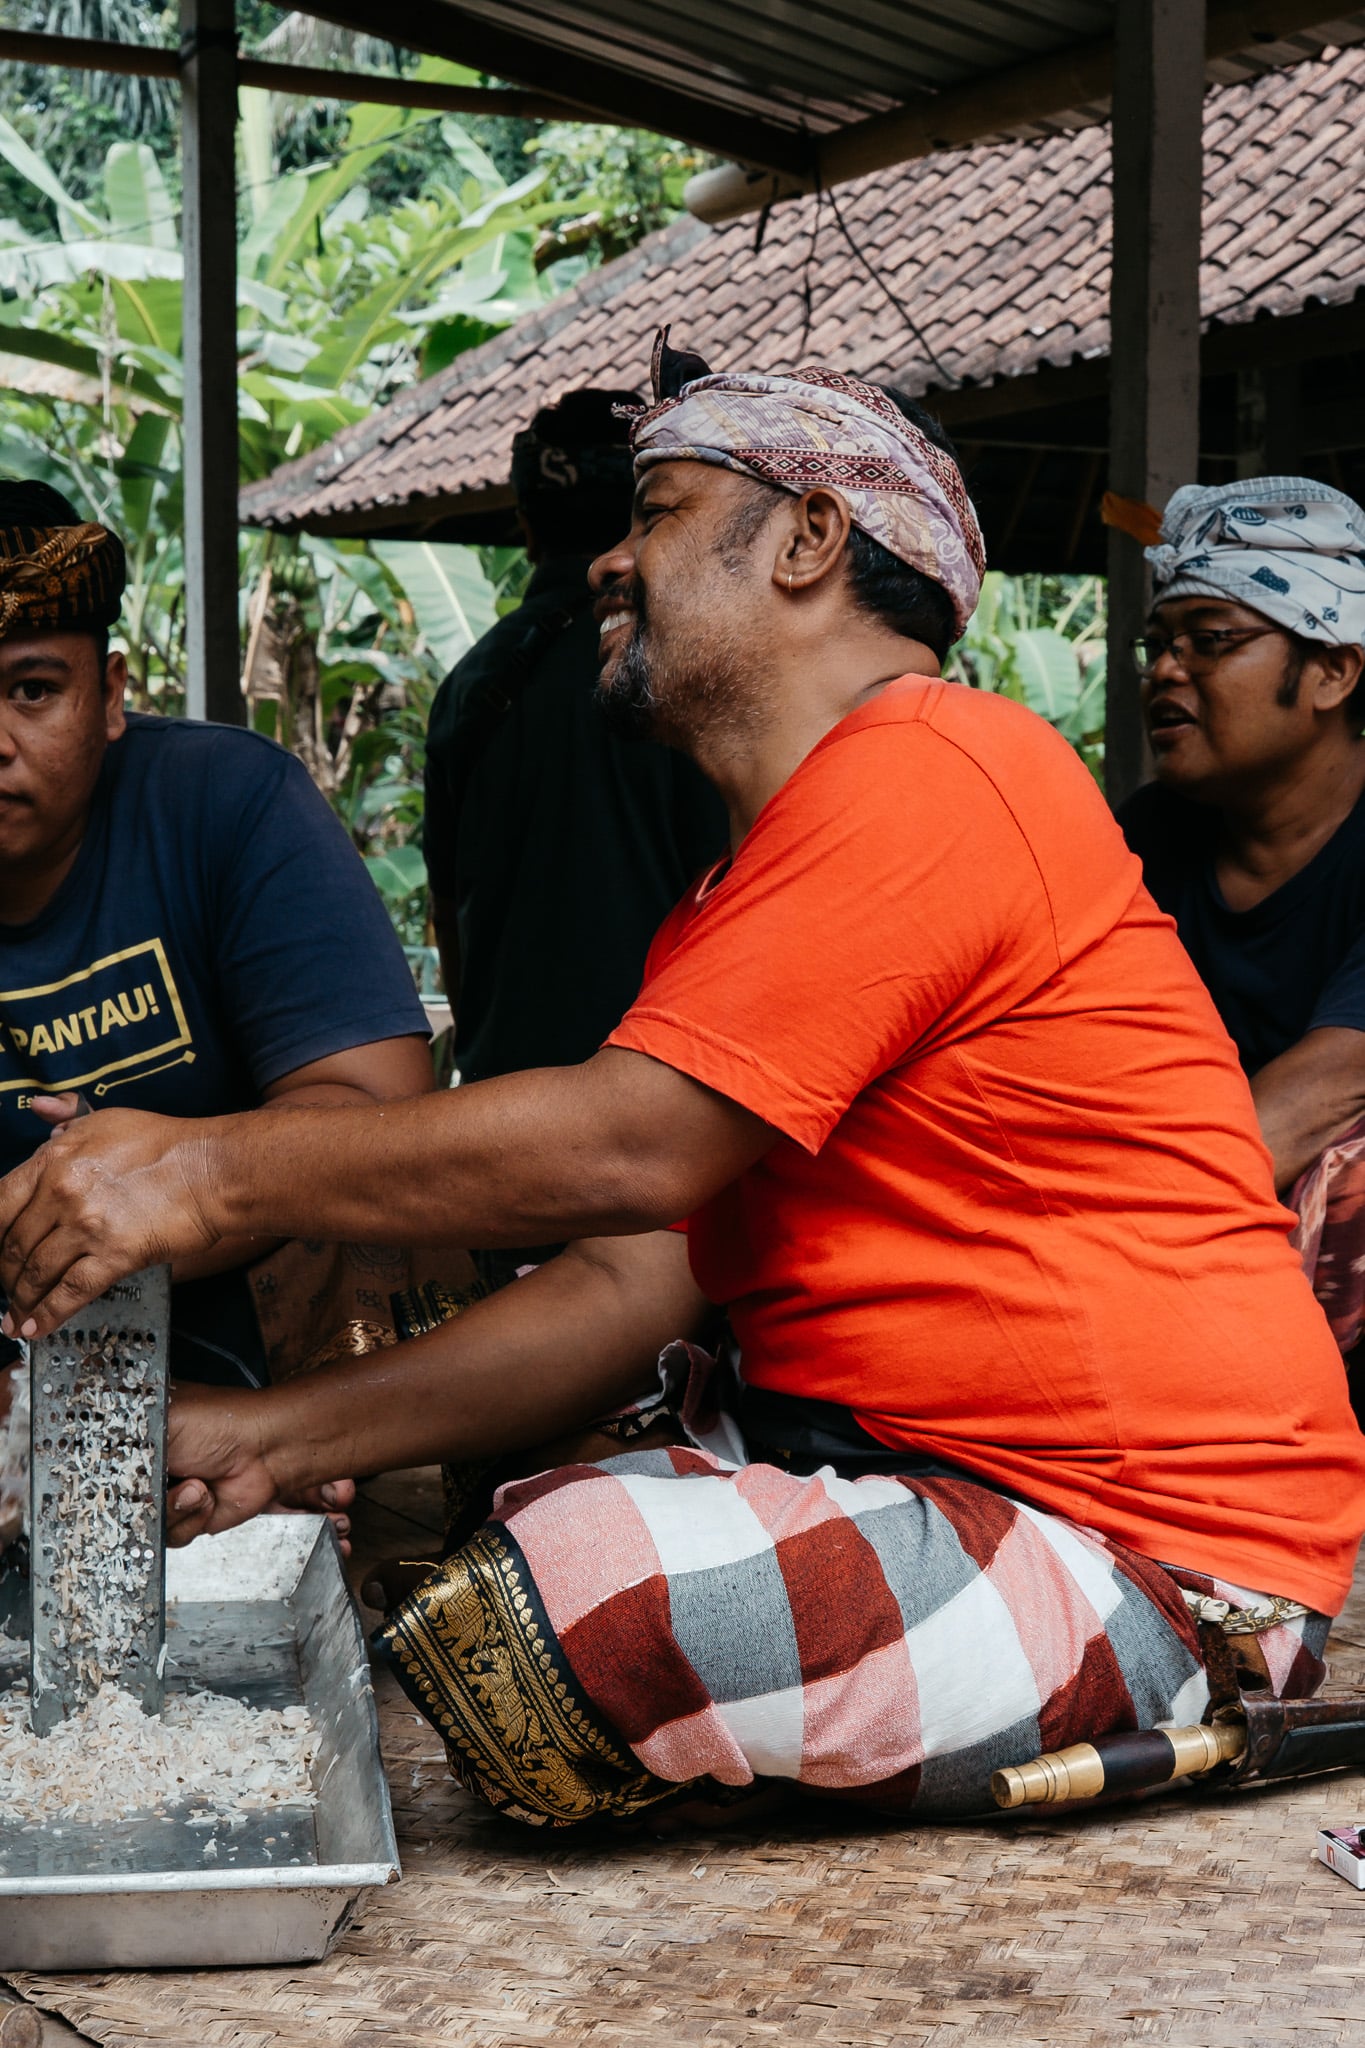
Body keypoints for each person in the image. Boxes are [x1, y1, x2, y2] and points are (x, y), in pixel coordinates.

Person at [1, 341, 1361, 1832]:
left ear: (807, 539)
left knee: (570, 1596)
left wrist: (196, 1172)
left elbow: (634, 1148)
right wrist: (267, 1440)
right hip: (925, 1490)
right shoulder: (740, 893)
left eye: (656, 509)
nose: (609, 557)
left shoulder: (943, 763)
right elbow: (627, 1276)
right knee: (522, 1546)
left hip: (1148, 1555)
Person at [0, 480, 434, 1388]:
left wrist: (163, 1184)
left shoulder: (229, 804)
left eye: (32, 690)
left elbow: (381, 1115)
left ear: (111, 695)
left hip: (257, 1355)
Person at [424, 388, 726, 1283]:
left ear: (524, 524)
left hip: (506, 1132)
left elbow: (451, 923)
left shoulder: (473, 686)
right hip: (663, 1139)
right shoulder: (669, 676)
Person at [1117, 479, 1365, 1359]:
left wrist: (1095, 1237)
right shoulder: (1146, 838)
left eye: (1211, 641)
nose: (1166, 670)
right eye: (1158, 645)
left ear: (1333, 669)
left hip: (1232, 1207)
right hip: (1194, 1188)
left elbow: (1323, 1090)